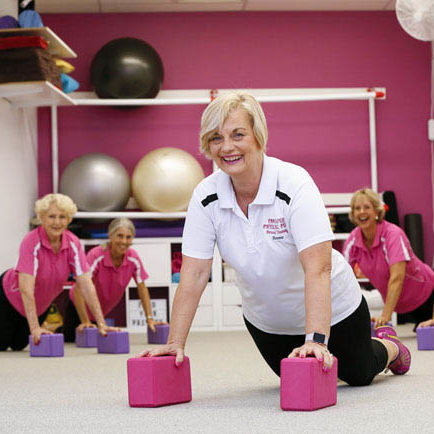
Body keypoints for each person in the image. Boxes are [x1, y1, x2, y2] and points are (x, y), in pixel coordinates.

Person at [140, 91, 411, 385]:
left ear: (258, 137)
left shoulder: (294, 183)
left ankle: (390, 346)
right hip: (268, 321)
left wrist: (317, 340)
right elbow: (194, 273)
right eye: (216, 138)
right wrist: (174, 343)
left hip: (334, 309)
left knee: (357, 374)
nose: (227, 147)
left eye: (238, 134)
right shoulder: (206, 196)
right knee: (295, 378)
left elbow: (317, 267)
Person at [0, 193, 114, 351]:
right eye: (51, 216)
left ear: (68, 219)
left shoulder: (73, 242)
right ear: (42, 218)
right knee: (2, 344)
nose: (57, 222)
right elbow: (26, 288)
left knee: (18, 345)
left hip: (41, 304)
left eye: (62, 217)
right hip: (9, 297)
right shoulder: (31, 241)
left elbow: (86, 284)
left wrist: (101, 323)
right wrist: (34, 328)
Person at [343, 188, 434, 330]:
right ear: (353, 214)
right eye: (357, 208)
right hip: (405, 308)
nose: (361, 212)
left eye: (367, 207)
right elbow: (342, 279)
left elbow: (397, 277)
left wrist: (385, 316)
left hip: (428, 297)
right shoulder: (353, 241)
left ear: (377, 211)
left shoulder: (392, 234)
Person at [62, 218, 156, 342]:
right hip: (79, 305)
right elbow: (79, 288)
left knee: (96, 339)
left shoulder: (133, 258)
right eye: (119, 236)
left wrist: (149, 318)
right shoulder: (97, 255)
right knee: (68, 338)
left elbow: (142, 288)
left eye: (128, 237)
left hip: (98, 312)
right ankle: (51, 326)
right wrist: (85, 321)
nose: (124, 241)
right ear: (110, 236)